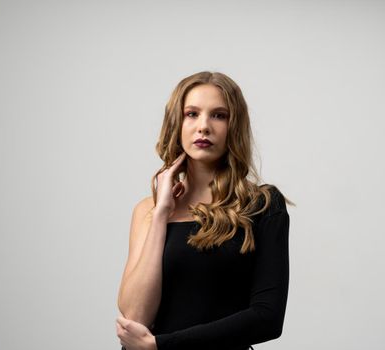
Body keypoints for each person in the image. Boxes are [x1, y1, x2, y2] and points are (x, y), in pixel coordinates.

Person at [116, 71, 293, 350]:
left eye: (219, 115)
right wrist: (162, 213)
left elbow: (267, 318)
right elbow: (136, 317)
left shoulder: (263, 205)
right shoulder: (148, 210)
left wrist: (163, 345)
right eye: (192, 114)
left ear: (233, 126)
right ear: (178, 122)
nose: (204, 127)